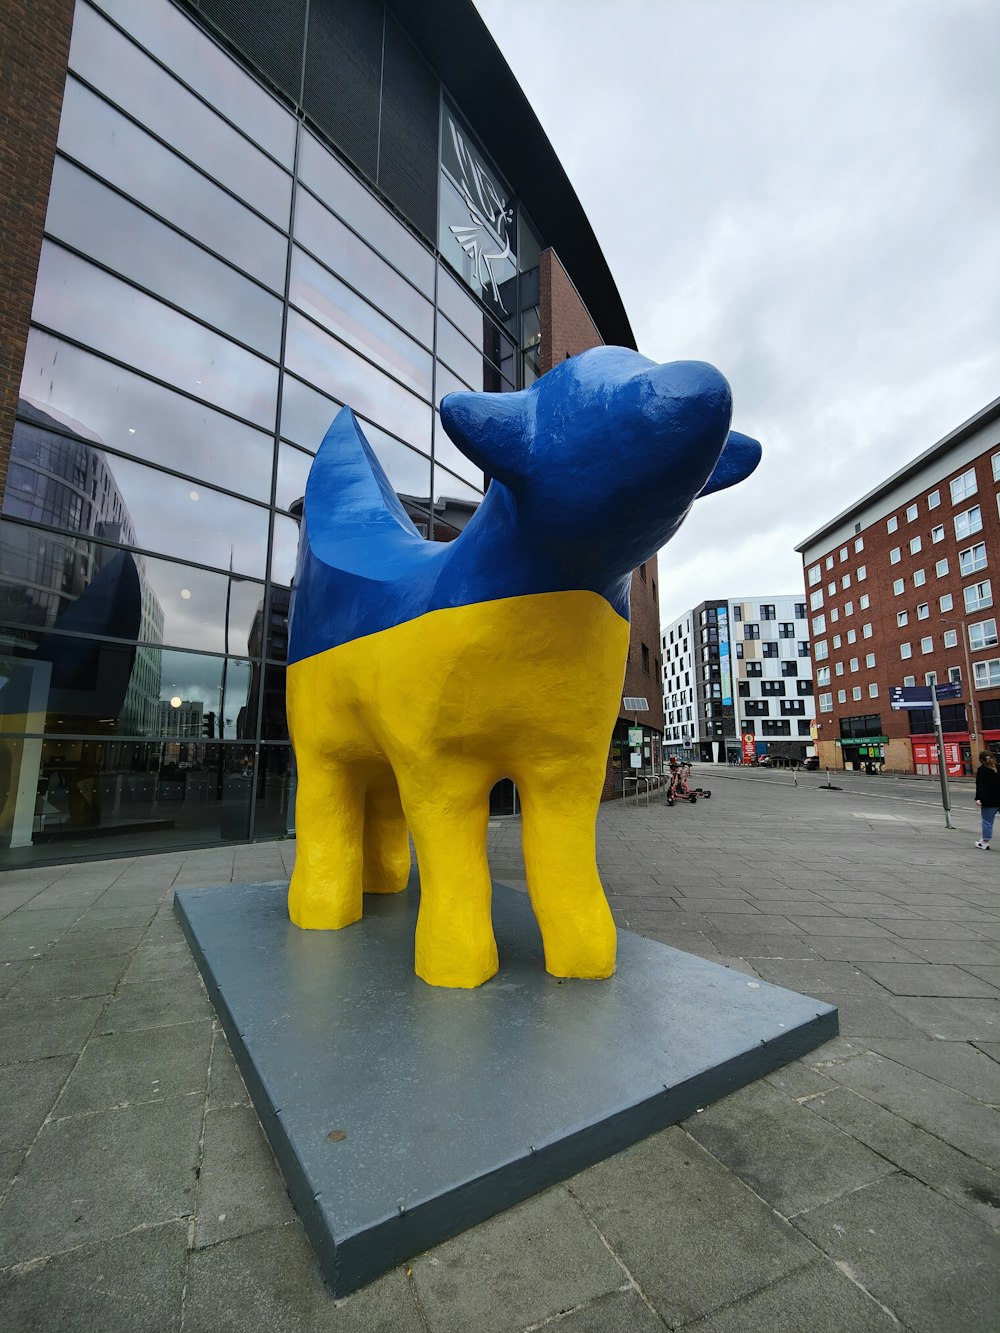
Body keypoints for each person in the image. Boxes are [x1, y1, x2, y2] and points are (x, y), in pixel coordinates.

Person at [973, 750, 1000, 850]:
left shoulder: (982, 770)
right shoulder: (999, 767)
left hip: (989, 801)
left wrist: (978, 799)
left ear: (981, 760)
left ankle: (985, 842)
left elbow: (981, 786)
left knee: (987, 822)